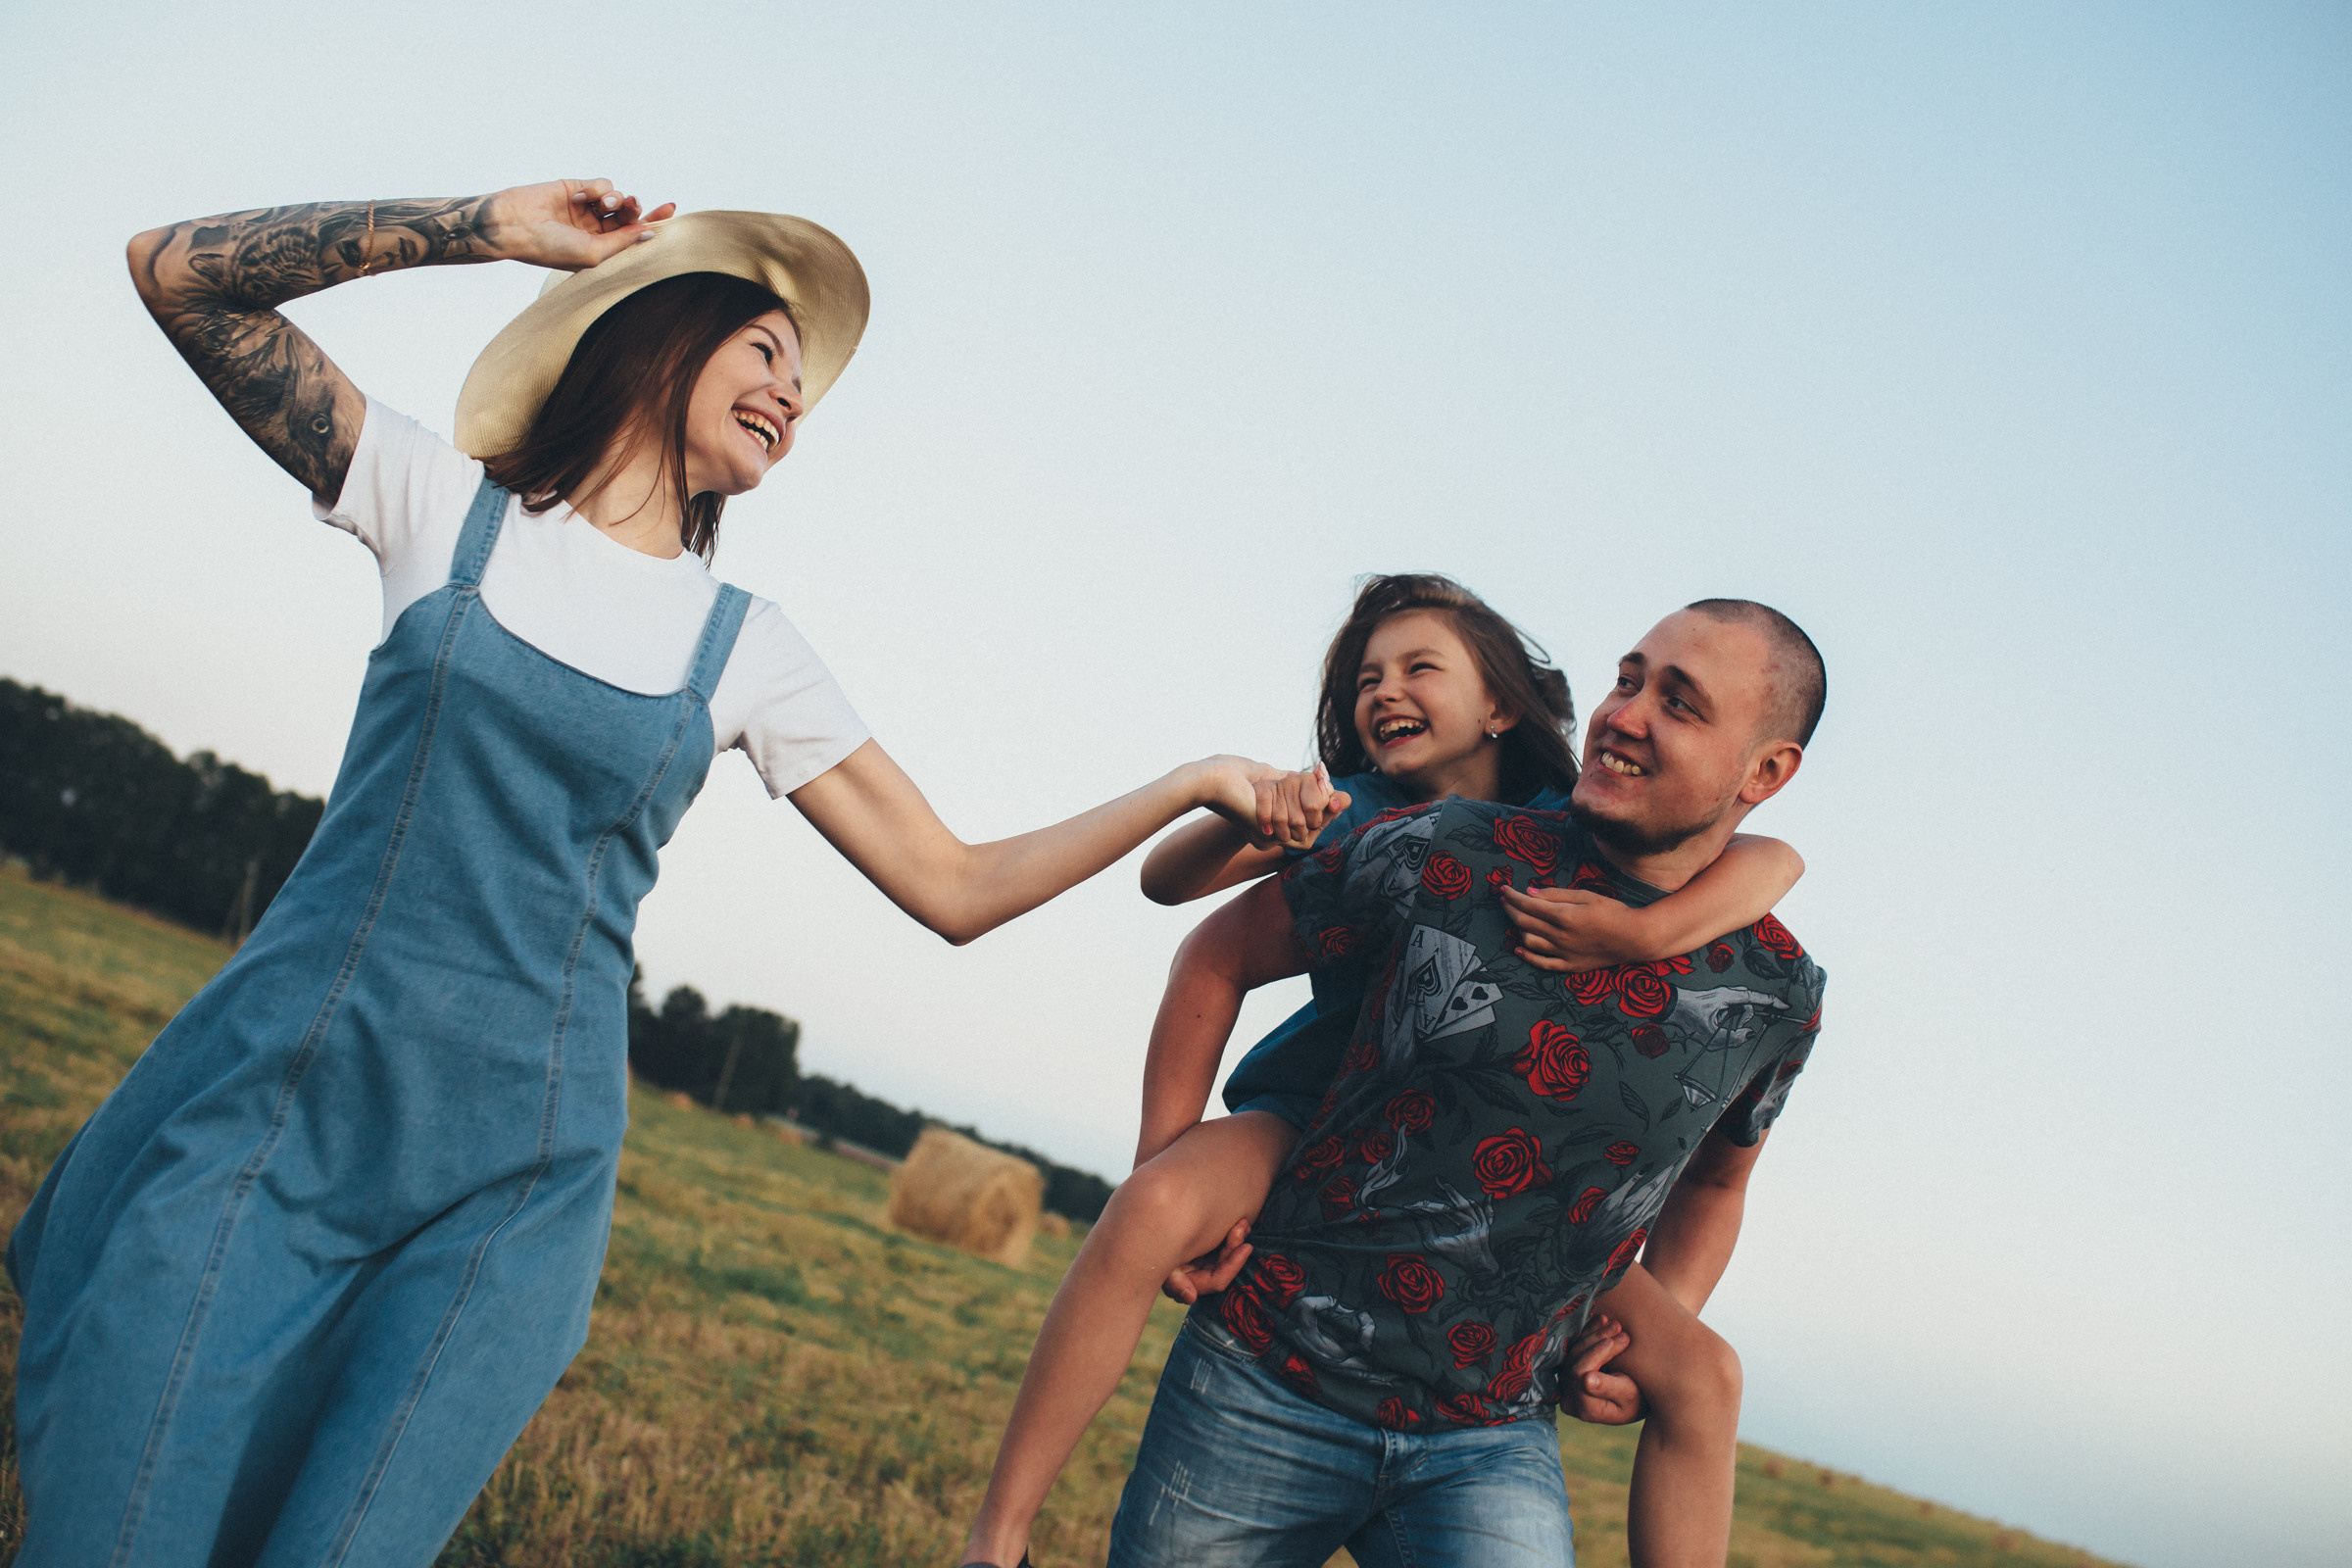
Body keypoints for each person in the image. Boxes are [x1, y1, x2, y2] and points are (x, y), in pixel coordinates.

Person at [5, 178, 1302, 1568]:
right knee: (118, 1511)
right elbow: (178, 276)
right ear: (660, 332)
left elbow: (957, 884)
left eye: (806, 390)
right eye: (767, 354)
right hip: (287, 1094)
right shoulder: (442, 510)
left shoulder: (742, 646)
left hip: (509, 1172)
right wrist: (490, 229)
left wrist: (1189, 782)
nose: (792, 400)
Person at [957, 581, 1806, 1568]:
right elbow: (1184, 906)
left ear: (1500, 706)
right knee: (1151, 1207)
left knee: (1707, 1375)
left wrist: (1652, 928)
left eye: (1418, 668)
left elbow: (1771, 863)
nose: (1630, 713)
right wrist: (1232, 798)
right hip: (1310, 1133)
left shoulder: (1643, 877)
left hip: (1503, 1353)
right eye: (1627, 681)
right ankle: (997, 1540)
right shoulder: (1373, 820)